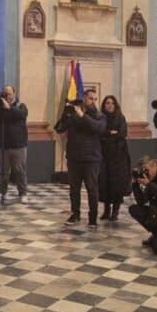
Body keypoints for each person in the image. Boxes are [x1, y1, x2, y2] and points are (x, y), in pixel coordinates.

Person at [55, 88, 106, 228]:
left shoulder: (99, 115)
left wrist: (83, 116)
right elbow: (59, 128)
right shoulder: (72, 113)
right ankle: (75, 214)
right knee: (74, 188)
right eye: (91, 98)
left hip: (92, 158)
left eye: (95, 99)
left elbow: (99, 129)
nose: (93, 101)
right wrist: (66, 114)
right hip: (74, 157)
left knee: (92, 188)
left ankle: (93, 217)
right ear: (84, 98)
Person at [98, 95, 131, 222]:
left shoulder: (120, 118)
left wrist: (109, 134)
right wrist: (110, 133)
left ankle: (115, 211)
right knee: (105, 182)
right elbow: (100, 133)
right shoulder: (101, 118)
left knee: (117, 184)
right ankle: (106, 210)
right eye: (107, 103)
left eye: (112, 103)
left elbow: (122, 133)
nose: (110, 105)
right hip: (104, 154)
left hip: (119, 155)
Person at [0, 85, 29, 205]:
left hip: (18, 145)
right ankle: (2, 192)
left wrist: (9, 107)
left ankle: (23, 193)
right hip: (3, 146)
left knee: (20, 171)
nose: (7, 96)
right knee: (4, 172)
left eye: (9, 94)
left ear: (14, 94)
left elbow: (22, 115)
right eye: (5, 94)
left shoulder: (21, 106)